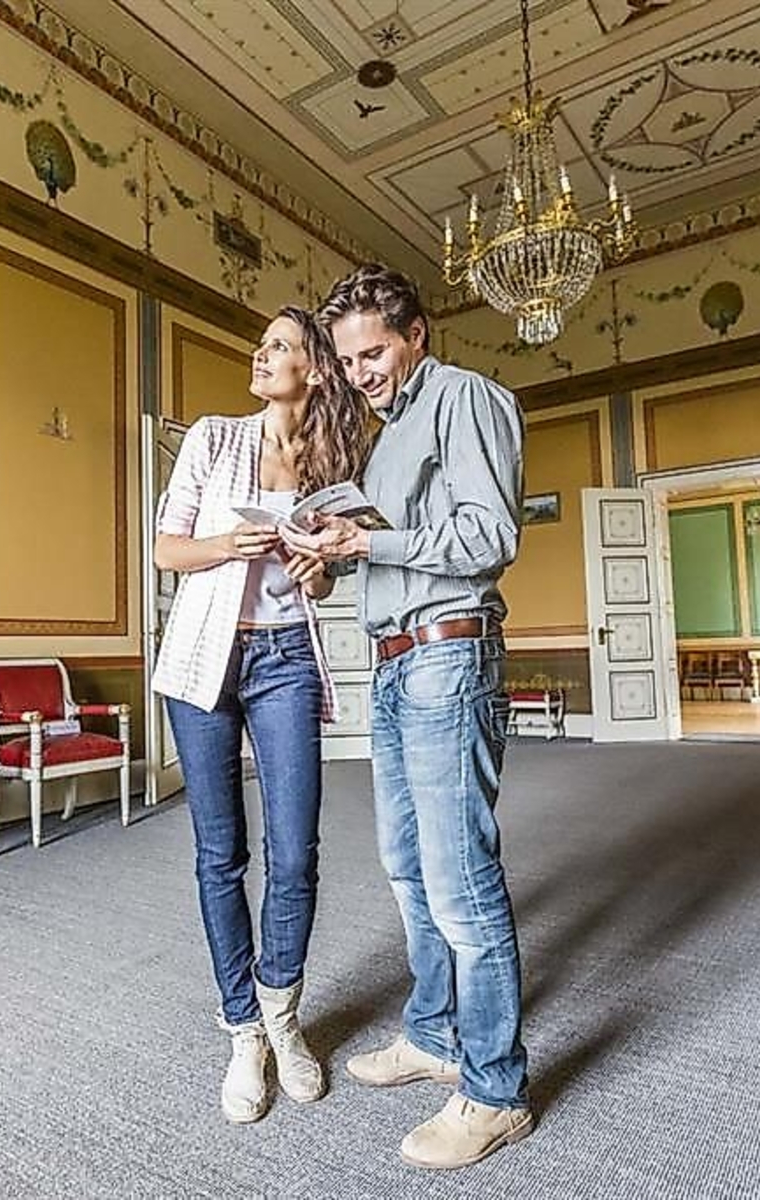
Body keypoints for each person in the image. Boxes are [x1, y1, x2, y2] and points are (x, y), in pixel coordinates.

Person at [291, 264, 531, 1170]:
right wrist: (334, 558)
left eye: (374, 352)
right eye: (349, 360)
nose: (361, 373)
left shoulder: (466, 398)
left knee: (460, 879)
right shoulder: (386, 437)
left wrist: (371, 540)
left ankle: (496, 1091)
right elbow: (400, 547)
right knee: (408, 869)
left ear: (416, 334)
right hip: (394, 662)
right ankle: (433, 1035)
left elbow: (489, 536)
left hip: (448, 656)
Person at [151, 305, 372, 1125]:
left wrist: (319, 569)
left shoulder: (329, 462)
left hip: (285, 659)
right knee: (221, 854)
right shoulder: (213, 438)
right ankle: (242, 1029)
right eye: (262, 343)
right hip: (203, 660)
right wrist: (226, 547)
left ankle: (283, 1013)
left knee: (296, 850)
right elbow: (167, 549)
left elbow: (324, 579)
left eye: (278, 345)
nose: (261, 353)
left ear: (314, 367)